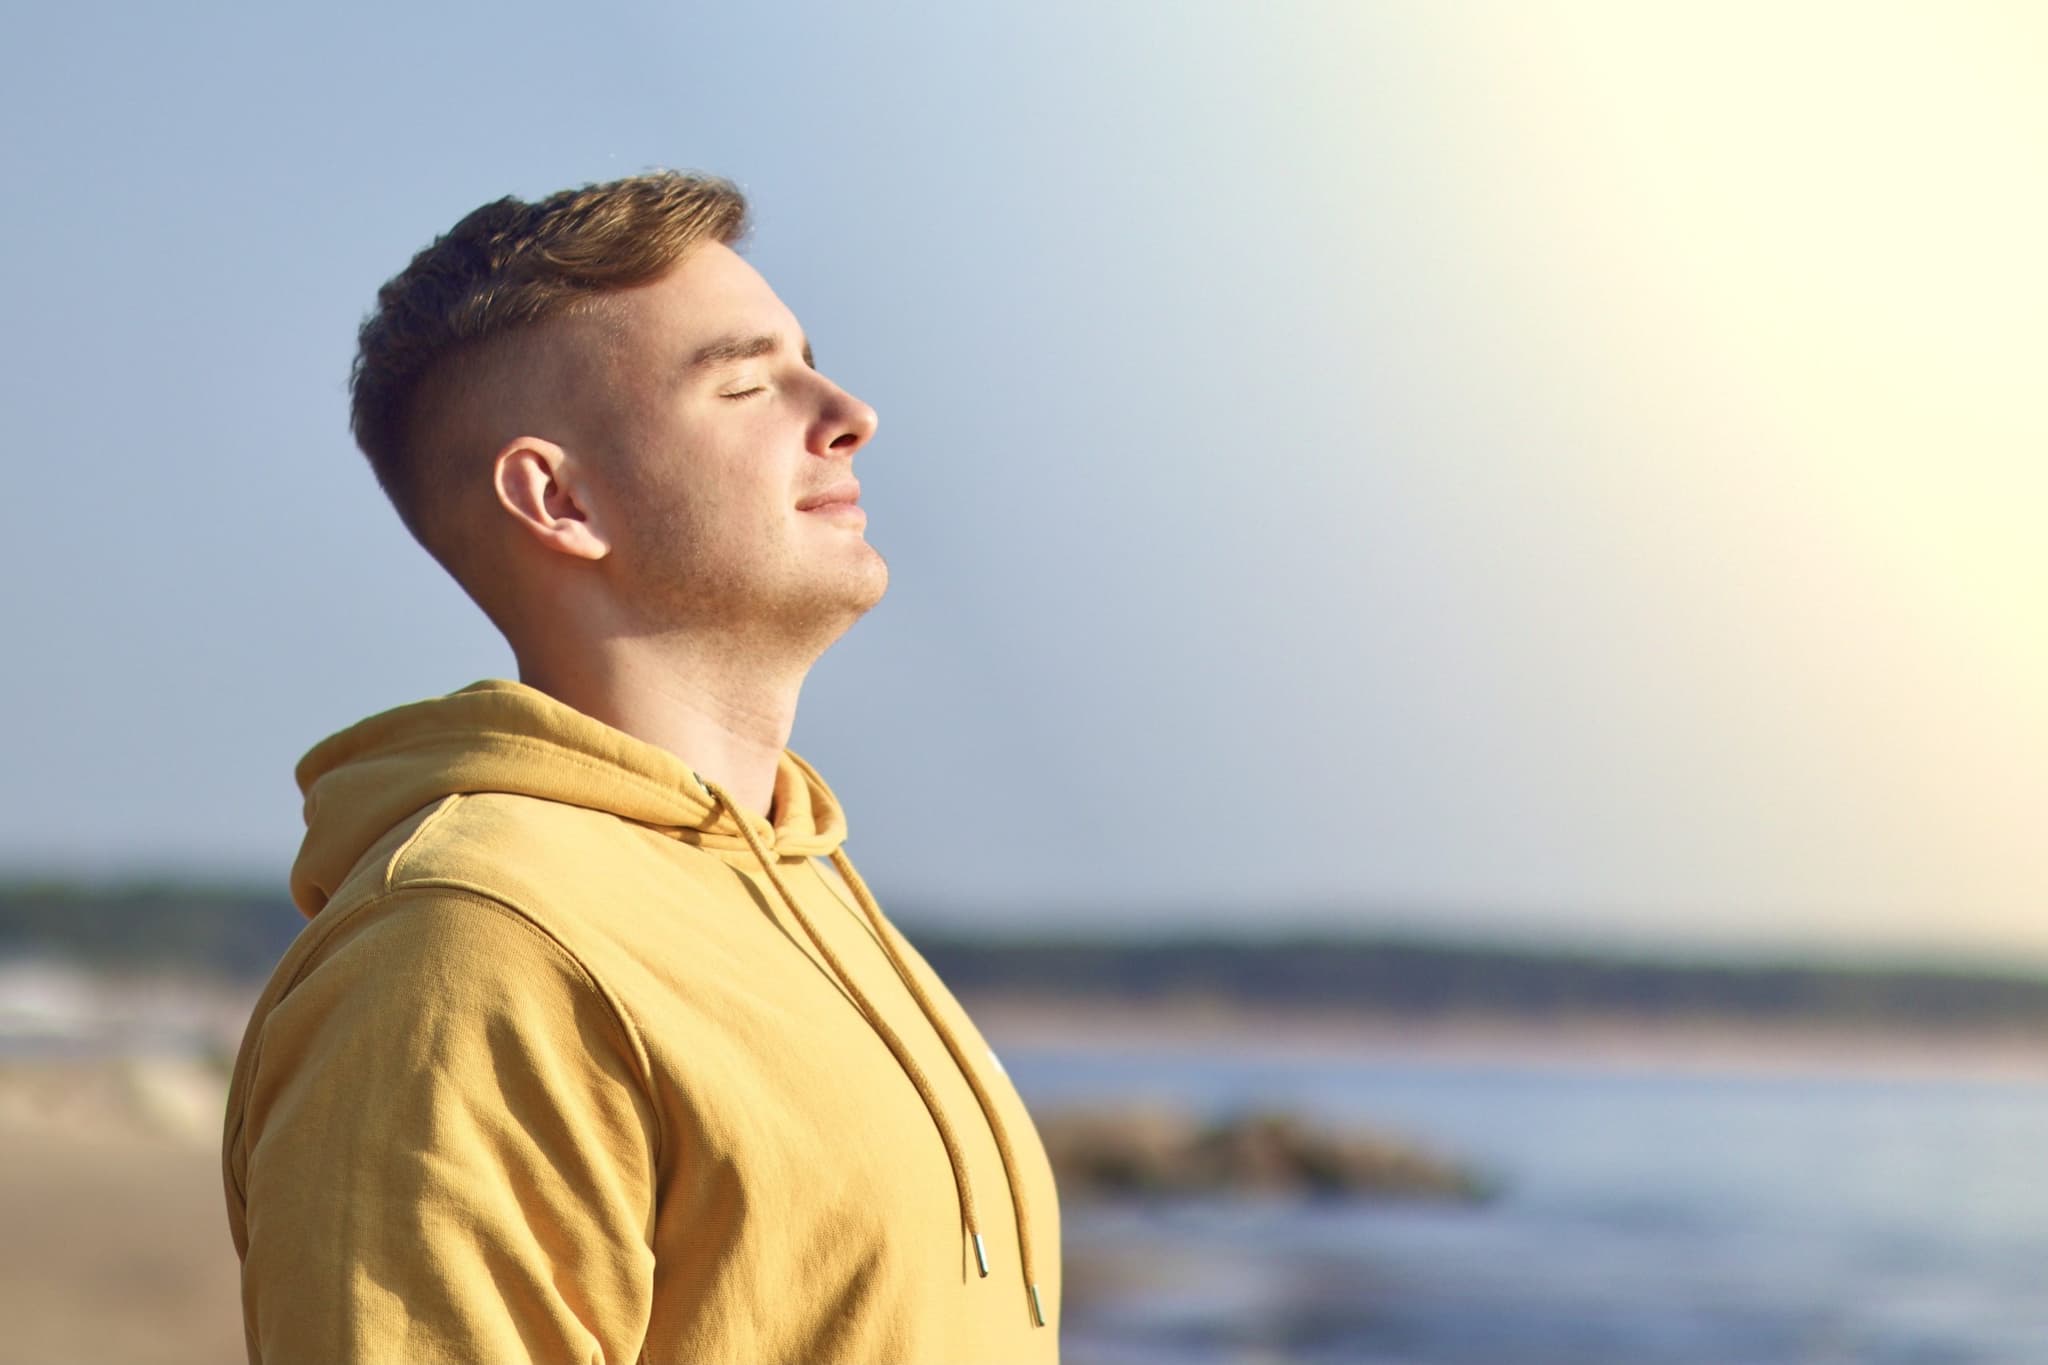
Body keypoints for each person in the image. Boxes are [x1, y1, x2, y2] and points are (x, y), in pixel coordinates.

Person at [220, 170, 1061, 1363]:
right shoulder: (467, 952)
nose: (847, 409)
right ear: (558, 499)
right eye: (746, 383)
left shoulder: (795, 870)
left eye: (809, 360)